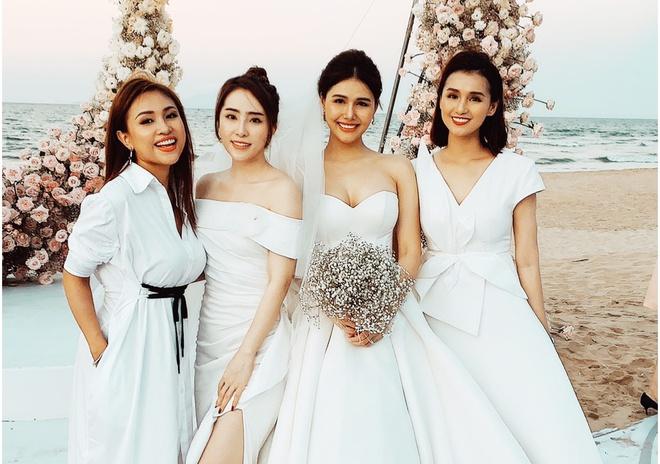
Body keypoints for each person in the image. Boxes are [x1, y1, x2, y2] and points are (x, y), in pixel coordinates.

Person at [268, 49, 531, 464]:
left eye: (362, 103)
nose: (349, 114)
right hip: (323, 317)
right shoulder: (299, 173)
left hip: (391, 310)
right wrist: (335, 306)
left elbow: (410, 252)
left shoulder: (396, 168)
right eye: (339, 101)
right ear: (322, 102)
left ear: (376, 107)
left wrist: (380, 311)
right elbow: (295, 257)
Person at [414, 50, 602, 463]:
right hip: (433, 307)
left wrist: (541, 325)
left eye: (475, 98)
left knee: (526, 408)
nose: (461, 108)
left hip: (500, 306)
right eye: (453, 95)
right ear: (440, 99)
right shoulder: (416, 170)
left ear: (493, 106)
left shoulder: (516, 171)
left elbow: (528, 259)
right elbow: (408, 250)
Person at [63, 75, 206, 463]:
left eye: (171, 115)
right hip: (131, 343)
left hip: (173, 340)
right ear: (125, 137)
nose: (164, 128)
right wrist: (99, 348)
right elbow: (74, 274)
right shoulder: (114, 201)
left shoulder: (180, 196)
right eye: (147, 121)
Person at [185, 67, 302, 464]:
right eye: (231, 116)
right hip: (208, 340)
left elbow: (279, 281)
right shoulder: (205, 186)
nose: (241, 130)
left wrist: (246, 355)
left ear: (271, 129)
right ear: (218, 121)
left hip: (259, 345)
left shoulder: (283, 190)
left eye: (255, 120)